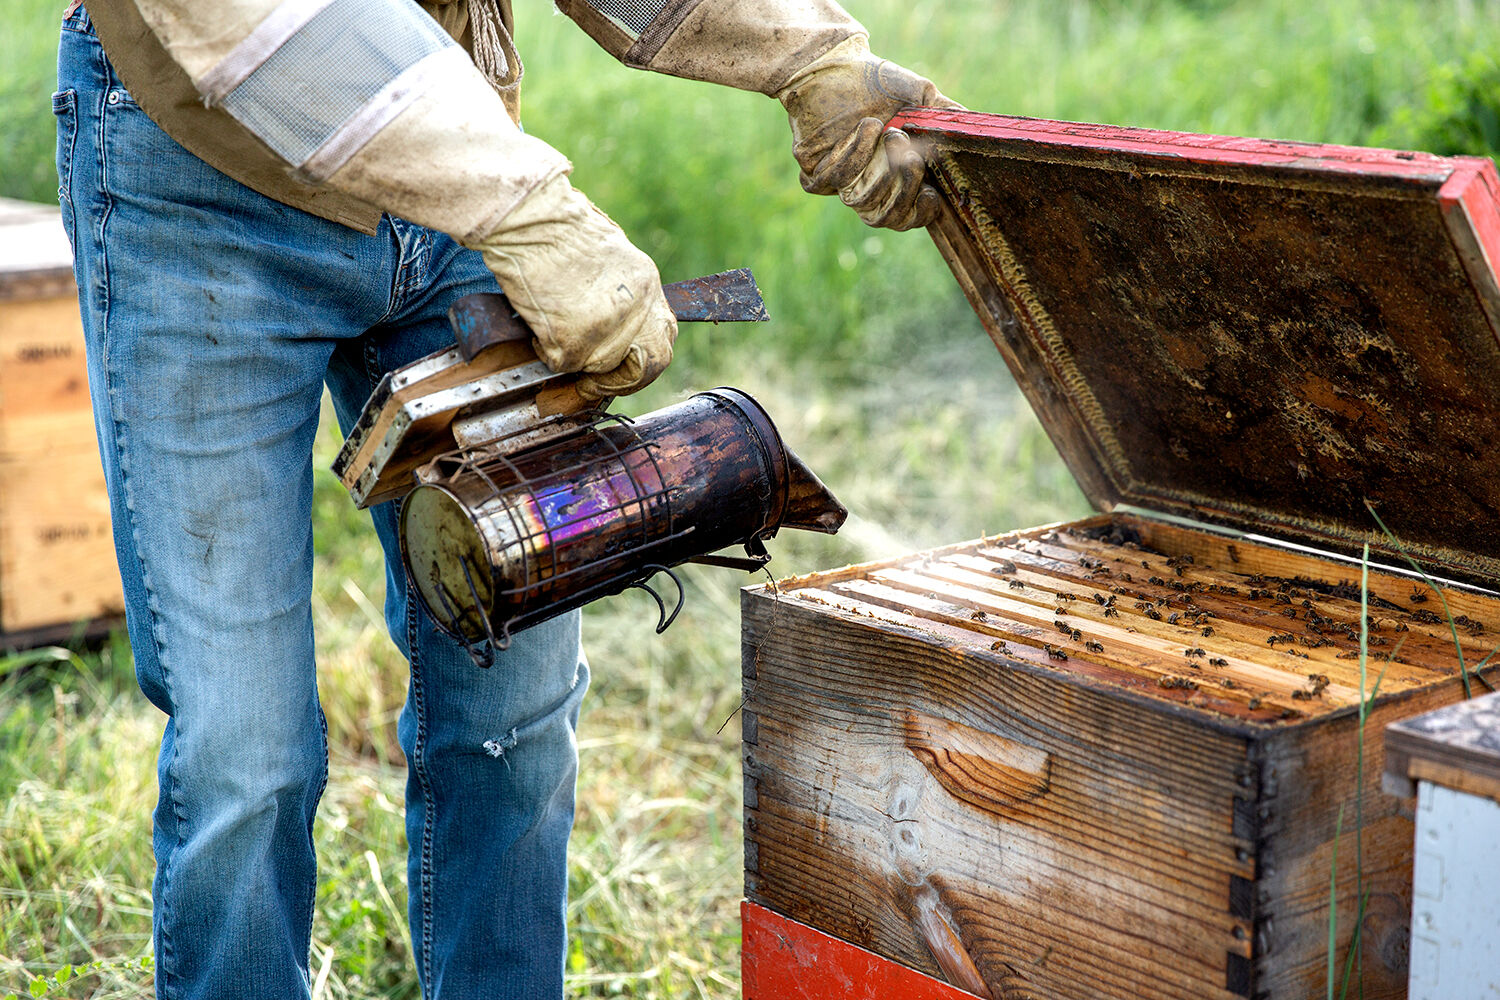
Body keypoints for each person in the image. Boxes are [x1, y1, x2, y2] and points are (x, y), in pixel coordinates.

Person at [54, 0, 957, 996]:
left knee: (513, 706)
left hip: (452, 163)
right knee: (244, 751)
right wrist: (529, 210)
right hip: (199, 172)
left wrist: (808, 55)